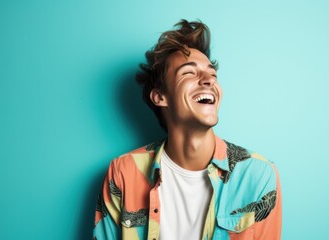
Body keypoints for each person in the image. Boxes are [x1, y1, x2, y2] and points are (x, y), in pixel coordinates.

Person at [93, 19, 282, 240]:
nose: (208, 80)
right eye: (189, 73)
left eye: (212, 74)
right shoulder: (123, 173)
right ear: (160, 97)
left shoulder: (256, 174)